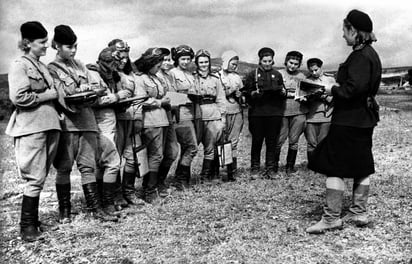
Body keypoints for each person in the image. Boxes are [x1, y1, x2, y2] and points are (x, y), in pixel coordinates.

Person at [307, 9, 381, 234]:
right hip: (364, 119)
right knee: (361, 164)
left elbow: (352, 89)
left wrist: (332, 88)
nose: (342, 35)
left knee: (334, 166)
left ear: (354, 31)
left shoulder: (359, 56)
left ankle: (331, 218)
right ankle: (359, 212)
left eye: (344, 30)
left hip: (349, 120)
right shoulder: (371, 54)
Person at [48, 25, 113, 223]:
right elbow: (61, 96)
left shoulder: (80, 65)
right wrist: (79, 92)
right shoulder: (51, 68)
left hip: (87, 121)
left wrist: (90, 91)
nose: (73, 50)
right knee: (65, 167)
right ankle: (65, 211)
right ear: (57, 46)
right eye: (69, 47)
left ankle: (95, 209)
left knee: (88, 167)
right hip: (68, 123)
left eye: (75, 46)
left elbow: (95, 88)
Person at [6, 21, 62, 242]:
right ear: (27, 43)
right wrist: (46, 96)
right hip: (31, 127)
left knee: (42, 176)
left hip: (50, 125)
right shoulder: (19, 64)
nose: (46, 46)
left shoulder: (42, 66)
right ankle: (27, 226)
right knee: (34, 178)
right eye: (42, 42)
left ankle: (33, 221)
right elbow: (18, 97)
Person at [87, 46, 132, 218]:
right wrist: (116, 97)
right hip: (100, 120)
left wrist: (120, 96)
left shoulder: (111, 76)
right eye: (115, 62)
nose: (118, 66)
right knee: (110, 161)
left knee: (105, 162)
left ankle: (106, 199)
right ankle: (106, 201)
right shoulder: (93, 74)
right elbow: (91, 99)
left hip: (110, 119)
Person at [134, 47, 177, 203]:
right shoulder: (140, 79)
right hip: (151, 121)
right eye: (158, 62)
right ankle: (150, 191)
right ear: (149, 63)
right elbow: (140, 101)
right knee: (155, 156)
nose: (160, 65)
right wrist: (160, 102)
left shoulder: (156, 78)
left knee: (169, 152)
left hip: (164, 119)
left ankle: (157, 184)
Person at [109, 39, 146, 206]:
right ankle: (116, 195)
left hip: (132, 119)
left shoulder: (133, 76)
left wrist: (138, 119)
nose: (123, 61)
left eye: (126, 57)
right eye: (120, 57)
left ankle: (129, 192)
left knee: (132, 158)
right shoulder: (109, 75)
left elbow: (139, 99)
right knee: (114, 159)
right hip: (116, 120)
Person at [243, 47, 286, 180]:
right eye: (264, 61)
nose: (267, 63)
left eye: (269, 61)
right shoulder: (253, 74)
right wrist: (252, 94)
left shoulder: (277, 74)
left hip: (274, 113)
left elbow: (282, 92)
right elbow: (246, 92)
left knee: (272, 142)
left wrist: (283, 93)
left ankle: (270, 169)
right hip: (257, 113)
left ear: (273, 61)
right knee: (257, 141)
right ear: (260, 61)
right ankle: (255, 169)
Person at [193, 49, 226, 182]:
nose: (204, 64)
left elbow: (221, 98)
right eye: (201, 62)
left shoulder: (215, 79)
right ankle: (182, 178)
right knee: (192, 147)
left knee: (210, 147)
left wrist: (222, 116)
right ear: (196, 63)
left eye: (206, 62)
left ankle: (206, 176)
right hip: (197, 115)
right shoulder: (192, 78)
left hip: (213, 115)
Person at [168, 45, 198, 189]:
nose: (186, 62)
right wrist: (187, 98)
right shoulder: (172, 74)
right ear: (176, 59)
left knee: (189, 147)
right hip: (179, 114)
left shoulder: (191, 74)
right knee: (191, 147)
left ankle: (182, 178)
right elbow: (170, 96)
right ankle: (180, 179)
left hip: (191, 113)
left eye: (188, 59)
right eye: (183, 59)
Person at [276, 51, 307, 174]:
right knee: (279, 140)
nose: (292, 66)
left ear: (299, 65)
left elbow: (305, 93)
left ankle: (290, 166)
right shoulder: (279, 74)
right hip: (282, 111)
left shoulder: (302, 76)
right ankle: (273, 166)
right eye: (291, 63)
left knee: (294, 141)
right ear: (286, 61)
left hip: (298, 111)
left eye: (296, 64)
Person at [155, 48, 180, 196]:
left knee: (172, 151)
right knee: (157, 153)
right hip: (158, 117)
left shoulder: (169, 76)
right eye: (163, 60)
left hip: (169, 116)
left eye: (169, 60)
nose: (167, 63)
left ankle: (160, 181)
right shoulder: (155, 76)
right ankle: (153, 185)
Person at [218, 50, 244, 181]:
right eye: (232, 63)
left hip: (236, 111)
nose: (234, 66)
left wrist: (241, 96)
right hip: (223, 111)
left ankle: (232, 171)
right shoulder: (217, 76)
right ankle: (222, 171)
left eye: (236, 64)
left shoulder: (237, 77)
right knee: (223, 141)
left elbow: (242, 94)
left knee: (234, 141)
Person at [303, 58, 335, 161]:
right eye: (311, 71)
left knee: (323, 141)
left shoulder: (330, 79)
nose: (314, 73)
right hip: (311, 116)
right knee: (311, 142)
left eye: (316, 70)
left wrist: (324, 97)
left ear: (321, 68)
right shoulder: (307, 81)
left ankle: (322, 164)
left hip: (326, 115)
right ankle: (312, 165)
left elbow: (336, 97)